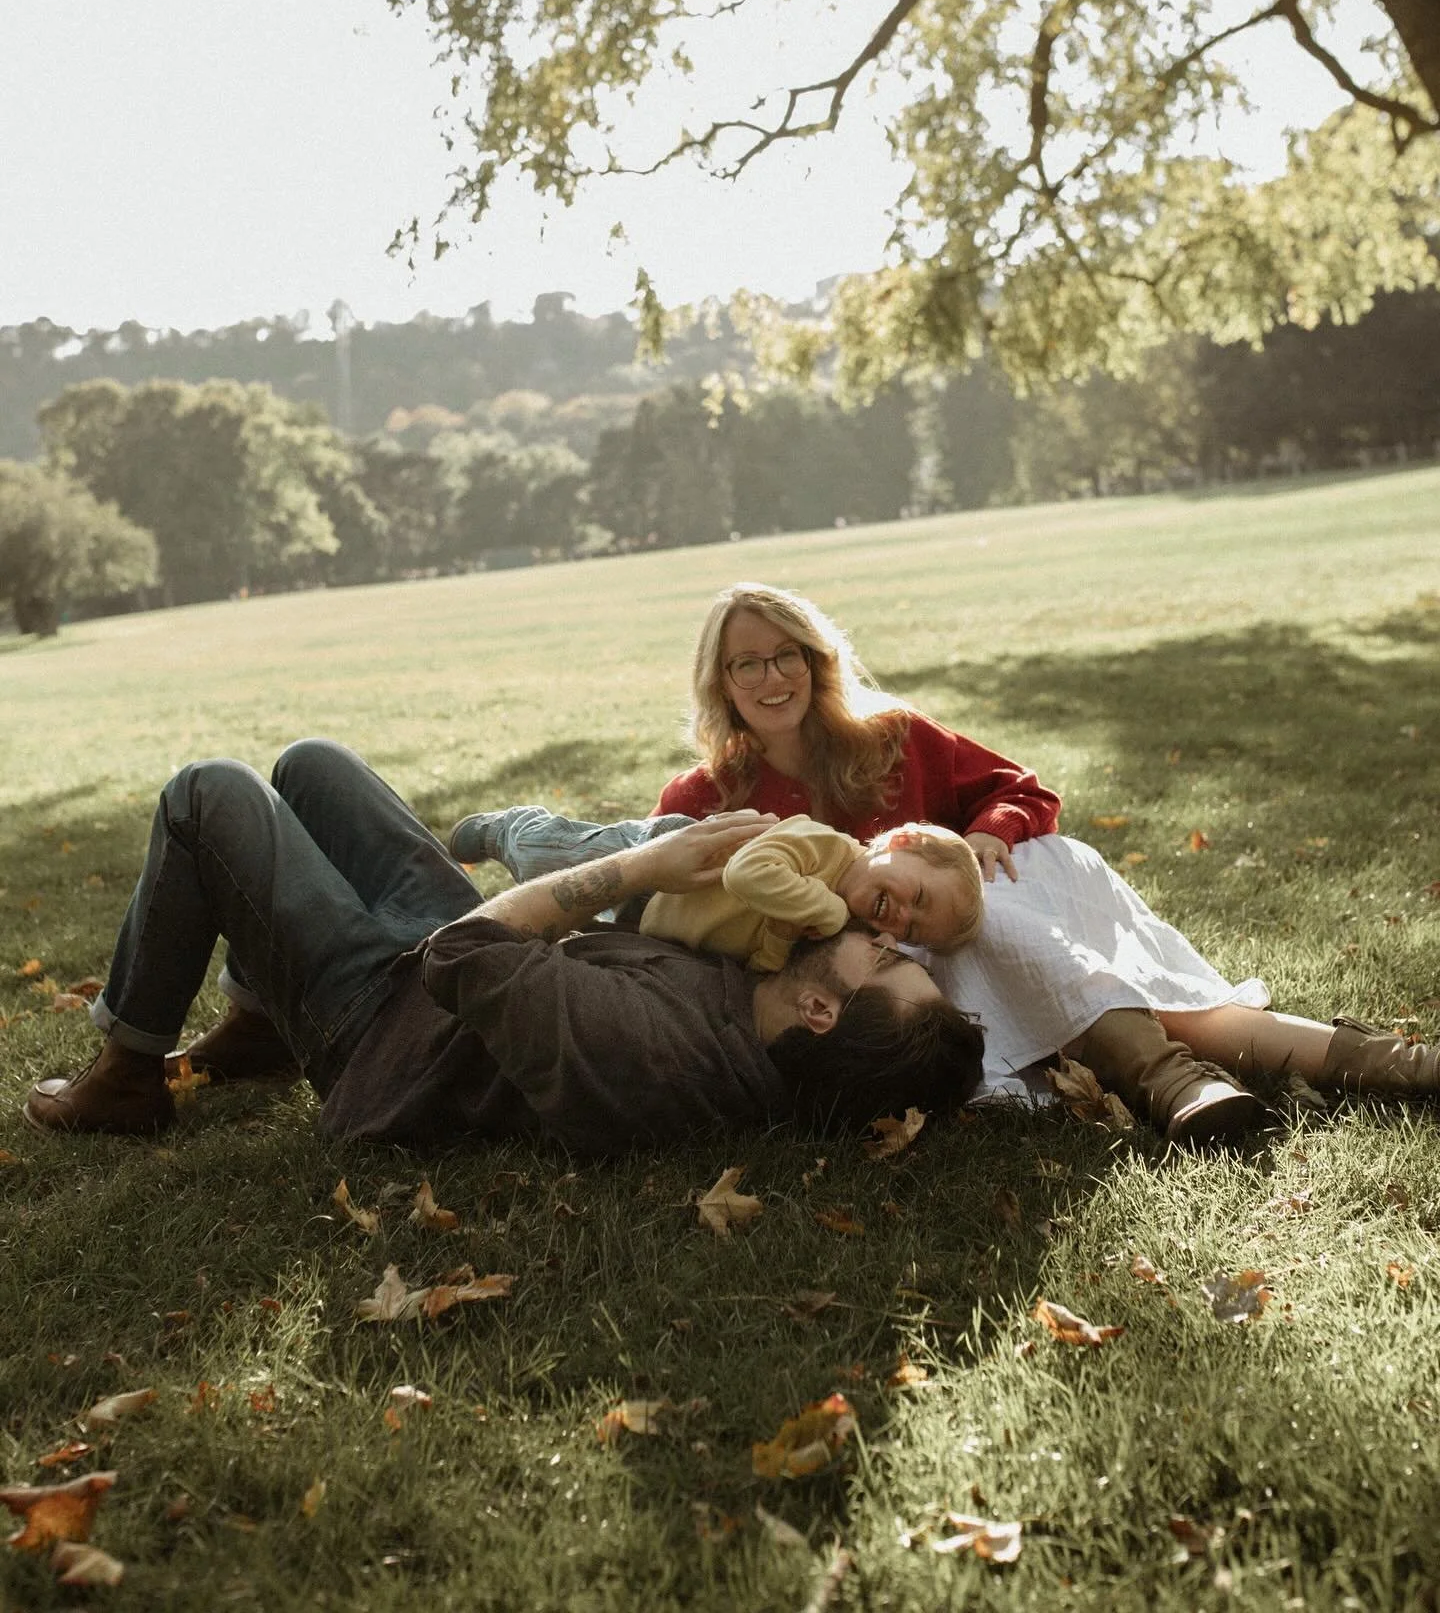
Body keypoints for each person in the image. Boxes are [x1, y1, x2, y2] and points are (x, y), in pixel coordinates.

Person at [450, 582, 1440, 1147]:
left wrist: (984, 838)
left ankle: (1255, 1078)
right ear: (722, 684)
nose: (770, 677)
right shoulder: (701, 800)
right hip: (895, 991)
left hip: (971, 935)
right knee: (996, 937)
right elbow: (709, 954)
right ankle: (1214, 1074)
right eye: (745, 665)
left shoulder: (892, 737)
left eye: (785, 653)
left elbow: (1023, 792)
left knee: (1002, 906)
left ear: (815, 658)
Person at [22, 740, 985, 1152]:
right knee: (312, 767)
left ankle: (126, 1077)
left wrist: (641, 871)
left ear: (825, 1011)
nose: (882, 940)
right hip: (460, 962)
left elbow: (465, 959)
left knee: (209, 793)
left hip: (391, 1022)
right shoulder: (776, 990)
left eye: (892, 965)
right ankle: (257, 1019)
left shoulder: (657, 1053)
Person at [637, 814, 985, 971]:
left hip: (663, 949)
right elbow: (743, 874)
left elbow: (761, 966)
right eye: (920, 896)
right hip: (649, 884)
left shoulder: (844, 928)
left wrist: (780, 936)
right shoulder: (821, 843)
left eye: (910, 932)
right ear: (903, 842)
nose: (903, 916)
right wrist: (827, 910)